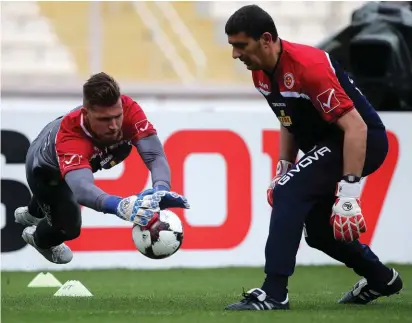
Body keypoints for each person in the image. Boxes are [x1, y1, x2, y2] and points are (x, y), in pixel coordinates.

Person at [224, 5, 403, 310]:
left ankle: (275, 292)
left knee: (288, 192)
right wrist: (284, 165)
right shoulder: (260, 73)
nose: (235, 55)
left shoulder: (308, 66)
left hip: (360, 141)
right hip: (328, 144)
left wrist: (349, 195)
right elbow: (287, 118)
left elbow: (356, 126)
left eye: (241, 46)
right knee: (319, 233)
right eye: (232, 46)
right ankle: (380, 277)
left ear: (266, 39)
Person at [14, 72, 190, 264]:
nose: (114, 126)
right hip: (45, 170)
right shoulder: (71, 137)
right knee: (69, 227)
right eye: (104, 120)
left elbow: (154, 155)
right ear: (86, 114)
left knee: (119, 148)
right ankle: (38, 239)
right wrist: (119, 206)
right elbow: (82, 189)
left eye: (117, 116)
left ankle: (32, 213)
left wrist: (161, 190)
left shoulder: (129, 108)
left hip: (77, 157)